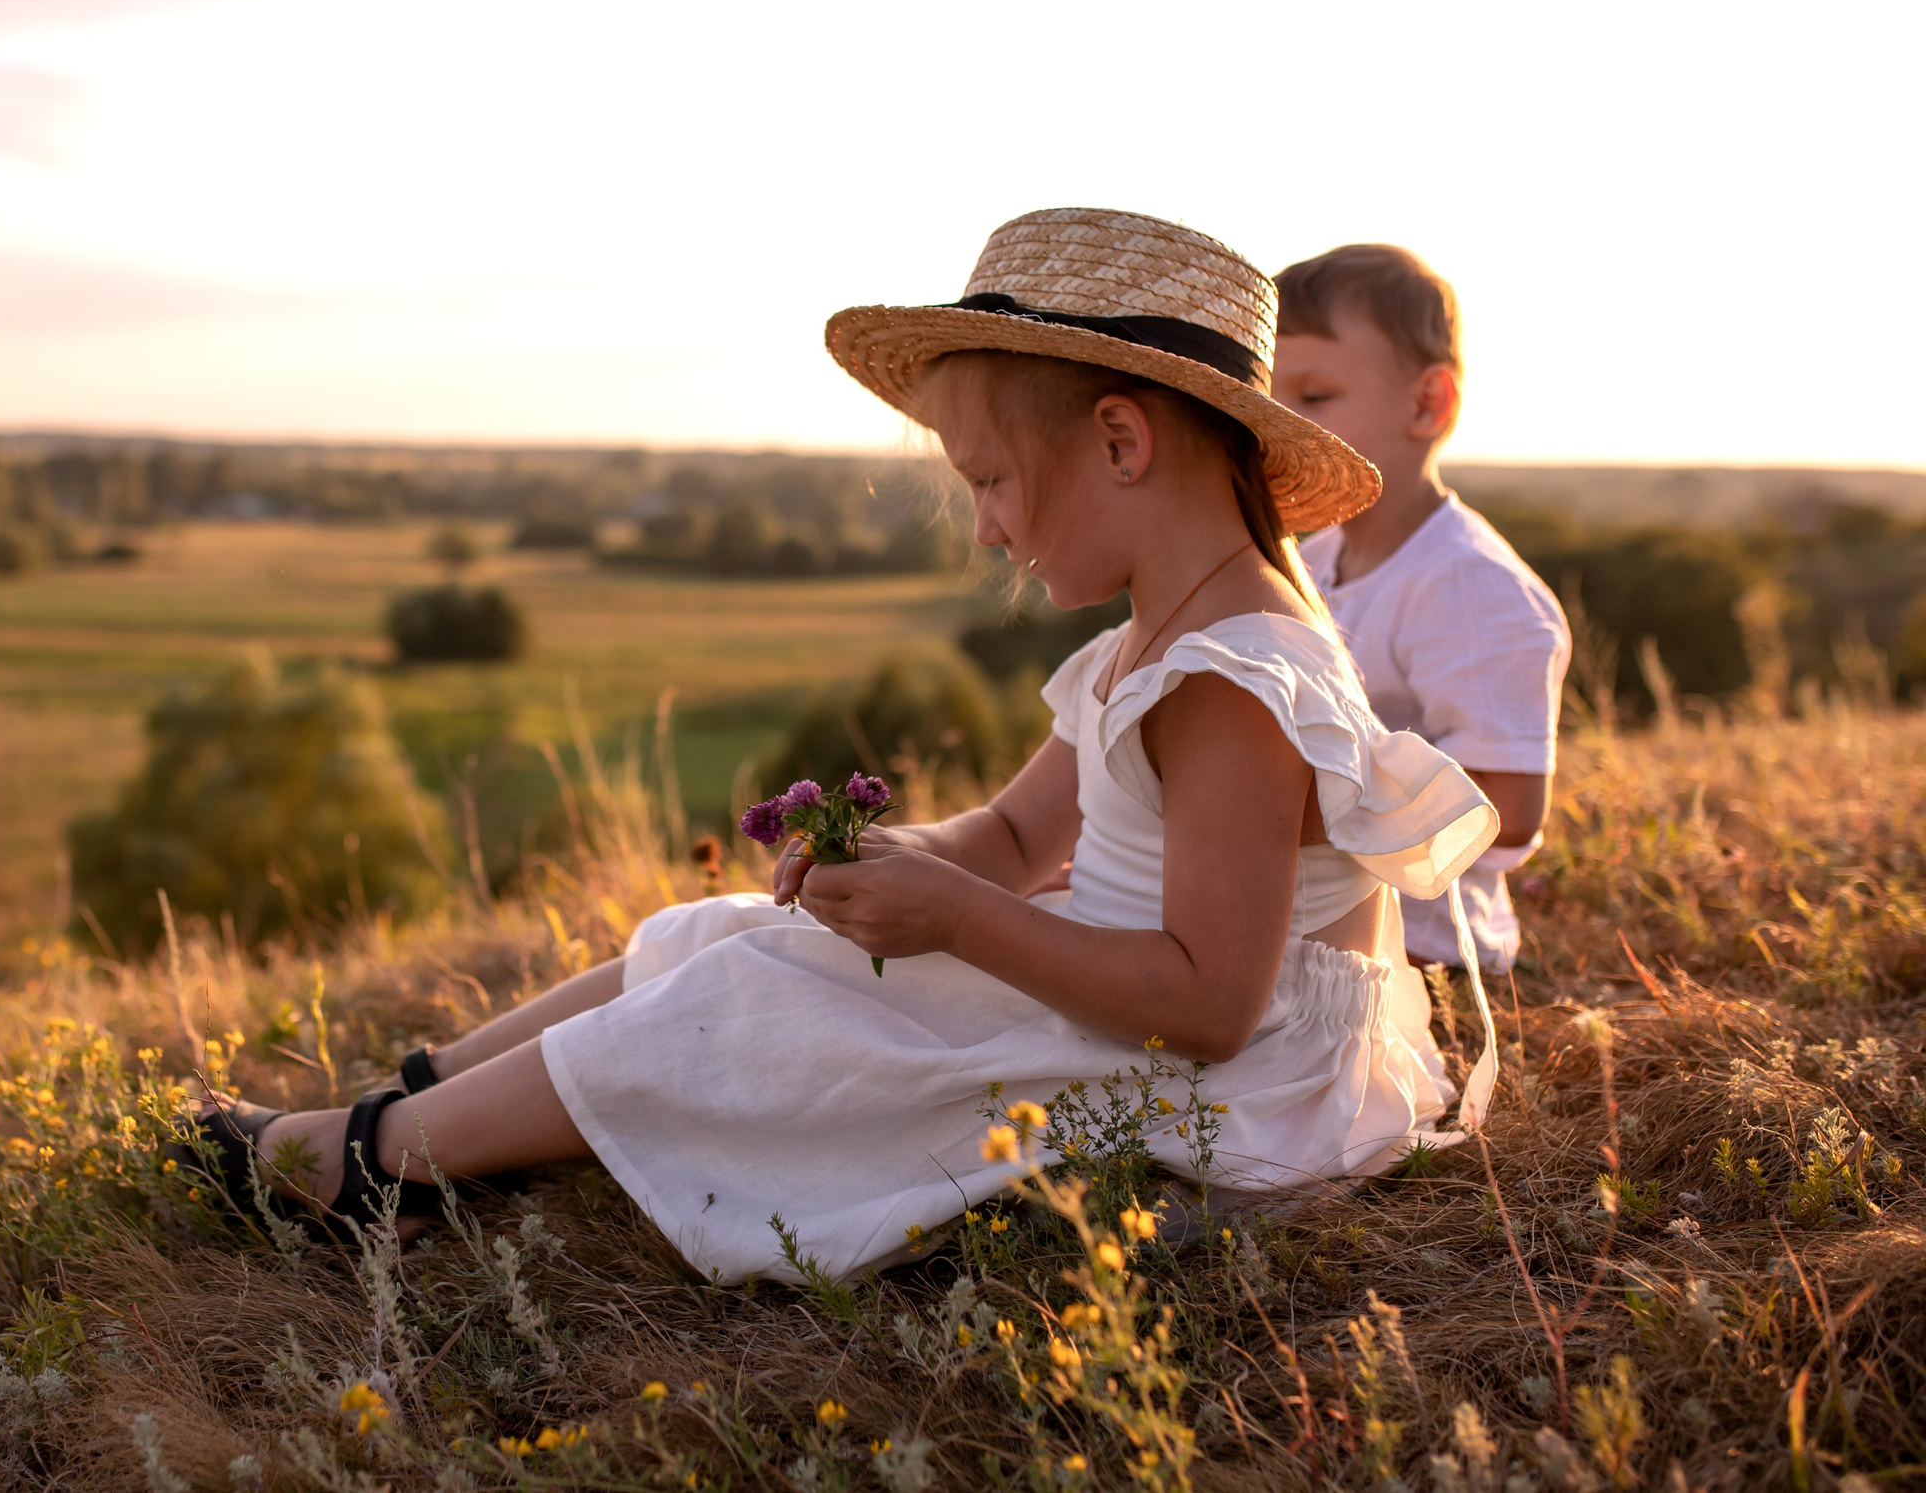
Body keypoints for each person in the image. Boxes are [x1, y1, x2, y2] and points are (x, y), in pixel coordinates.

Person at [177, 209, 1497, 1283]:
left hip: (1230, 1089)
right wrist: (890, 868)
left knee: (758, 1001)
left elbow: (1209, 1002)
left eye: (988, 477)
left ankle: (361, 1163)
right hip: (1134, 1012)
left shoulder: (1234, 679)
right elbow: (1021, 839)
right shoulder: (1152, 644)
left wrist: (959, 918)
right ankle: (412, 1107)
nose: (984, 524)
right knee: (729, 935)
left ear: (1119, 438)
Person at [1269, 245, 1571, 974]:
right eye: (1265, 396)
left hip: (1421, 947)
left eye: (1313, 398)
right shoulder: (1315, 557)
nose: (1279, 425)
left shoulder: (1465, 585)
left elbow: (1507, 803)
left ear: (1427, 403)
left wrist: (1286, 810)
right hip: (1316, 915)